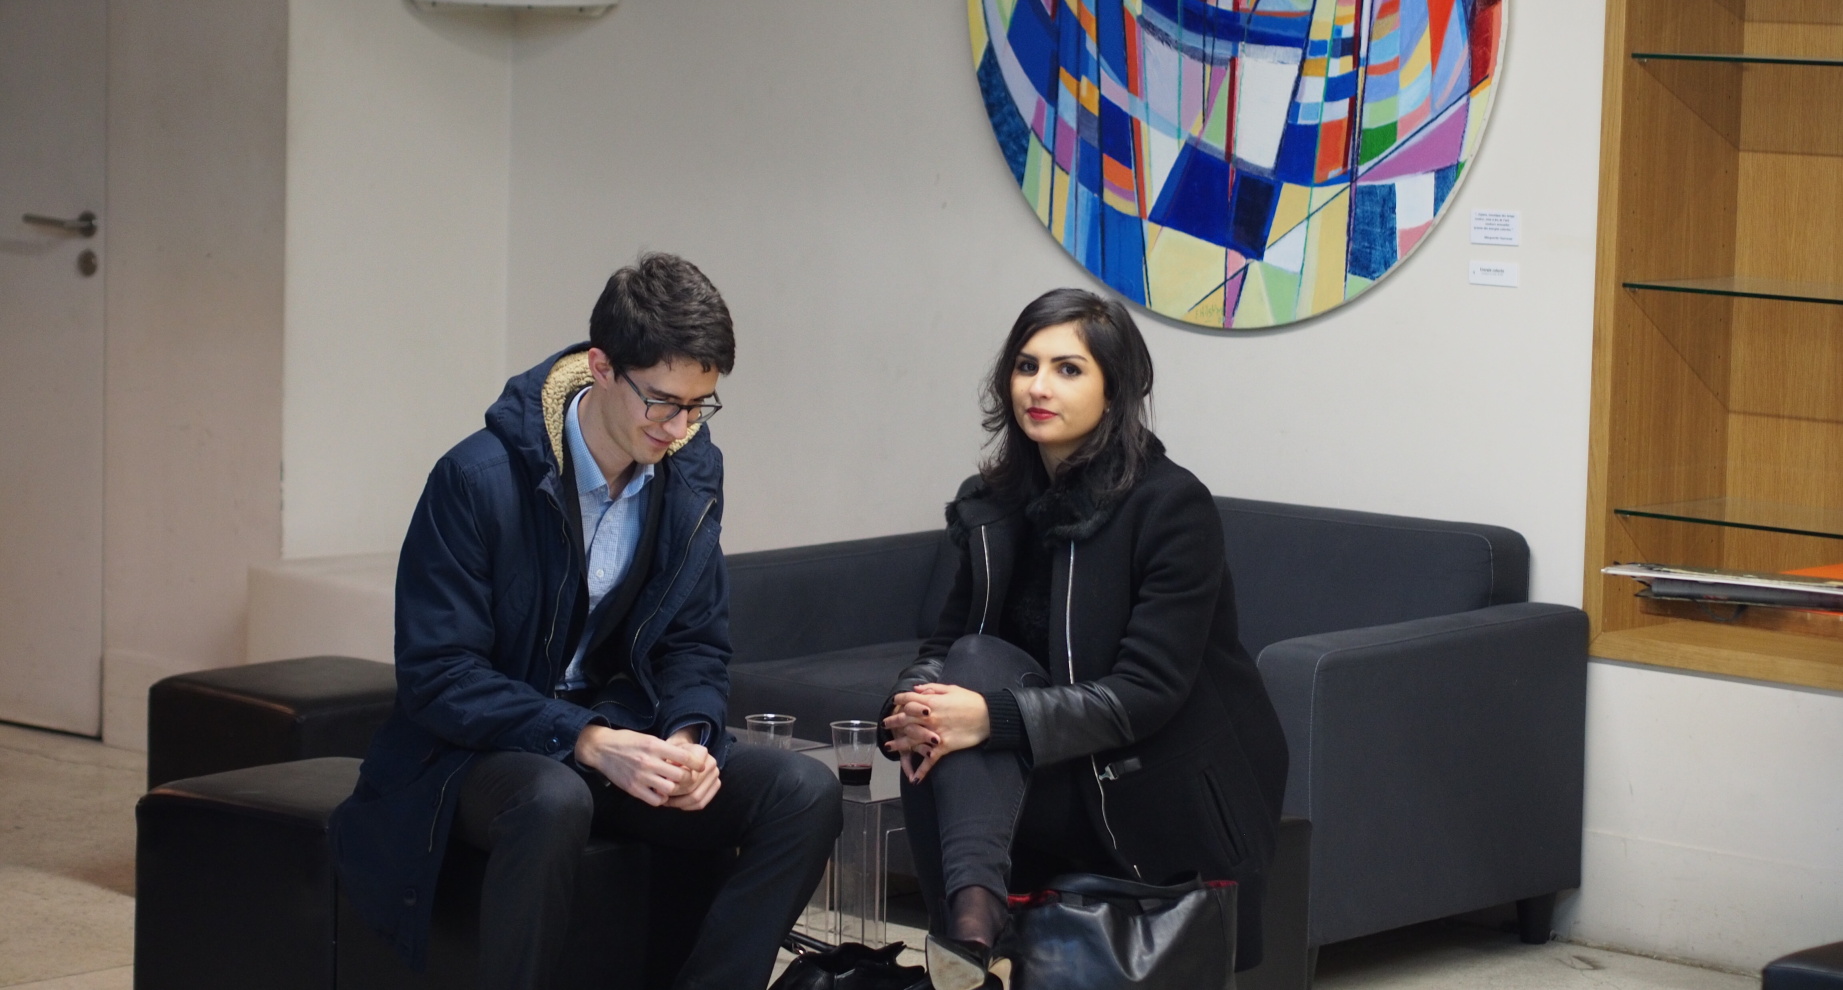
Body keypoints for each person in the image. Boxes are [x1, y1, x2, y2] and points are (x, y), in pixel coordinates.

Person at [330, 253, 841, 990]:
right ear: (601, 367)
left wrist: (687, 737)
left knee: (803, 791)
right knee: (552, 796)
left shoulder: (689, 473)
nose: (679, 427)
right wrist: (587, 740)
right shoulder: (476, 480)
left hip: (618, 733)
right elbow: (439, 676)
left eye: (700, 405)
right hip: (474, 751)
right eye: (661, 402)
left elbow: (695, 641)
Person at [883, 288, 1289, 990]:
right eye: (1025, 366)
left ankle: (969, 931)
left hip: (1147, 785)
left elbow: (1146, 693)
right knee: (945, 706)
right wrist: (914, 703)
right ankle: (974, 931)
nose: (1038, 387)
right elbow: (947, 641)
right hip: (1041, 772)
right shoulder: (993, 503)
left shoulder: (1170, 506)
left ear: (1114, 390)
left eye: (1067, 369)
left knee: (966, 701)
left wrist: (990, 718)